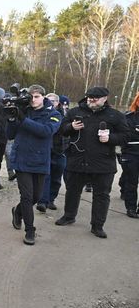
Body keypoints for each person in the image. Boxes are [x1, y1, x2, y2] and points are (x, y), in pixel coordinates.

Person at [55, 86, 130, 238]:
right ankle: (69, 216)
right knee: (72, 191)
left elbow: (126, 136)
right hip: (77, 160)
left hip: (103, 164)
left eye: (95, 98)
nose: (91, 100)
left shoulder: (115, 116)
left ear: (105, 99)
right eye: (89, 97)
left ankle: (97, 225)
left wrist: (111, 139)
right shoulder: (75, 112)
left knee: (101, 195)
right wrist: (71, 127)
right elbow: (61, 129)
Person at [7, 85, 62, 245]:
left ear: (43, 97)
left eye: (36, 96)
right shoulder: (22, 110)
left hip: (40, 160)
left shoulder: (53, 114)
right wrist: (11, 118)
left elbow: (46, 131)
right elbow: (9, 134)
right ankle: (30, 230)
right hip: (22, 160)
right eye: (31, 96)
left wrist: (22, 118)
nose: (33, 99)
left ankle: (18, 211)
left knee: (37, 197)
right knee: (27, 196)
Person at [36, 93, 68, 212]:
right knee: (45, 176)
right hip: (46, 150)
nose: (50, 103)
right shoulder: (42, 114)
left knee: (56, 177)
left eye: (53, 101)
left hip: (60, 150)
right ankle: (42, 201)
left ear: (57, 103)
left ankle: (51, 199)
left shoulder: (64, 115)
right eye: (48, 100)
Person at [118, 91, 139, 218]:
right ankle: (130, 207)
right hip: (131, 153)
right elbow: (125, 135)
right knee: (131, 181)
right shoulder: (129, 117)